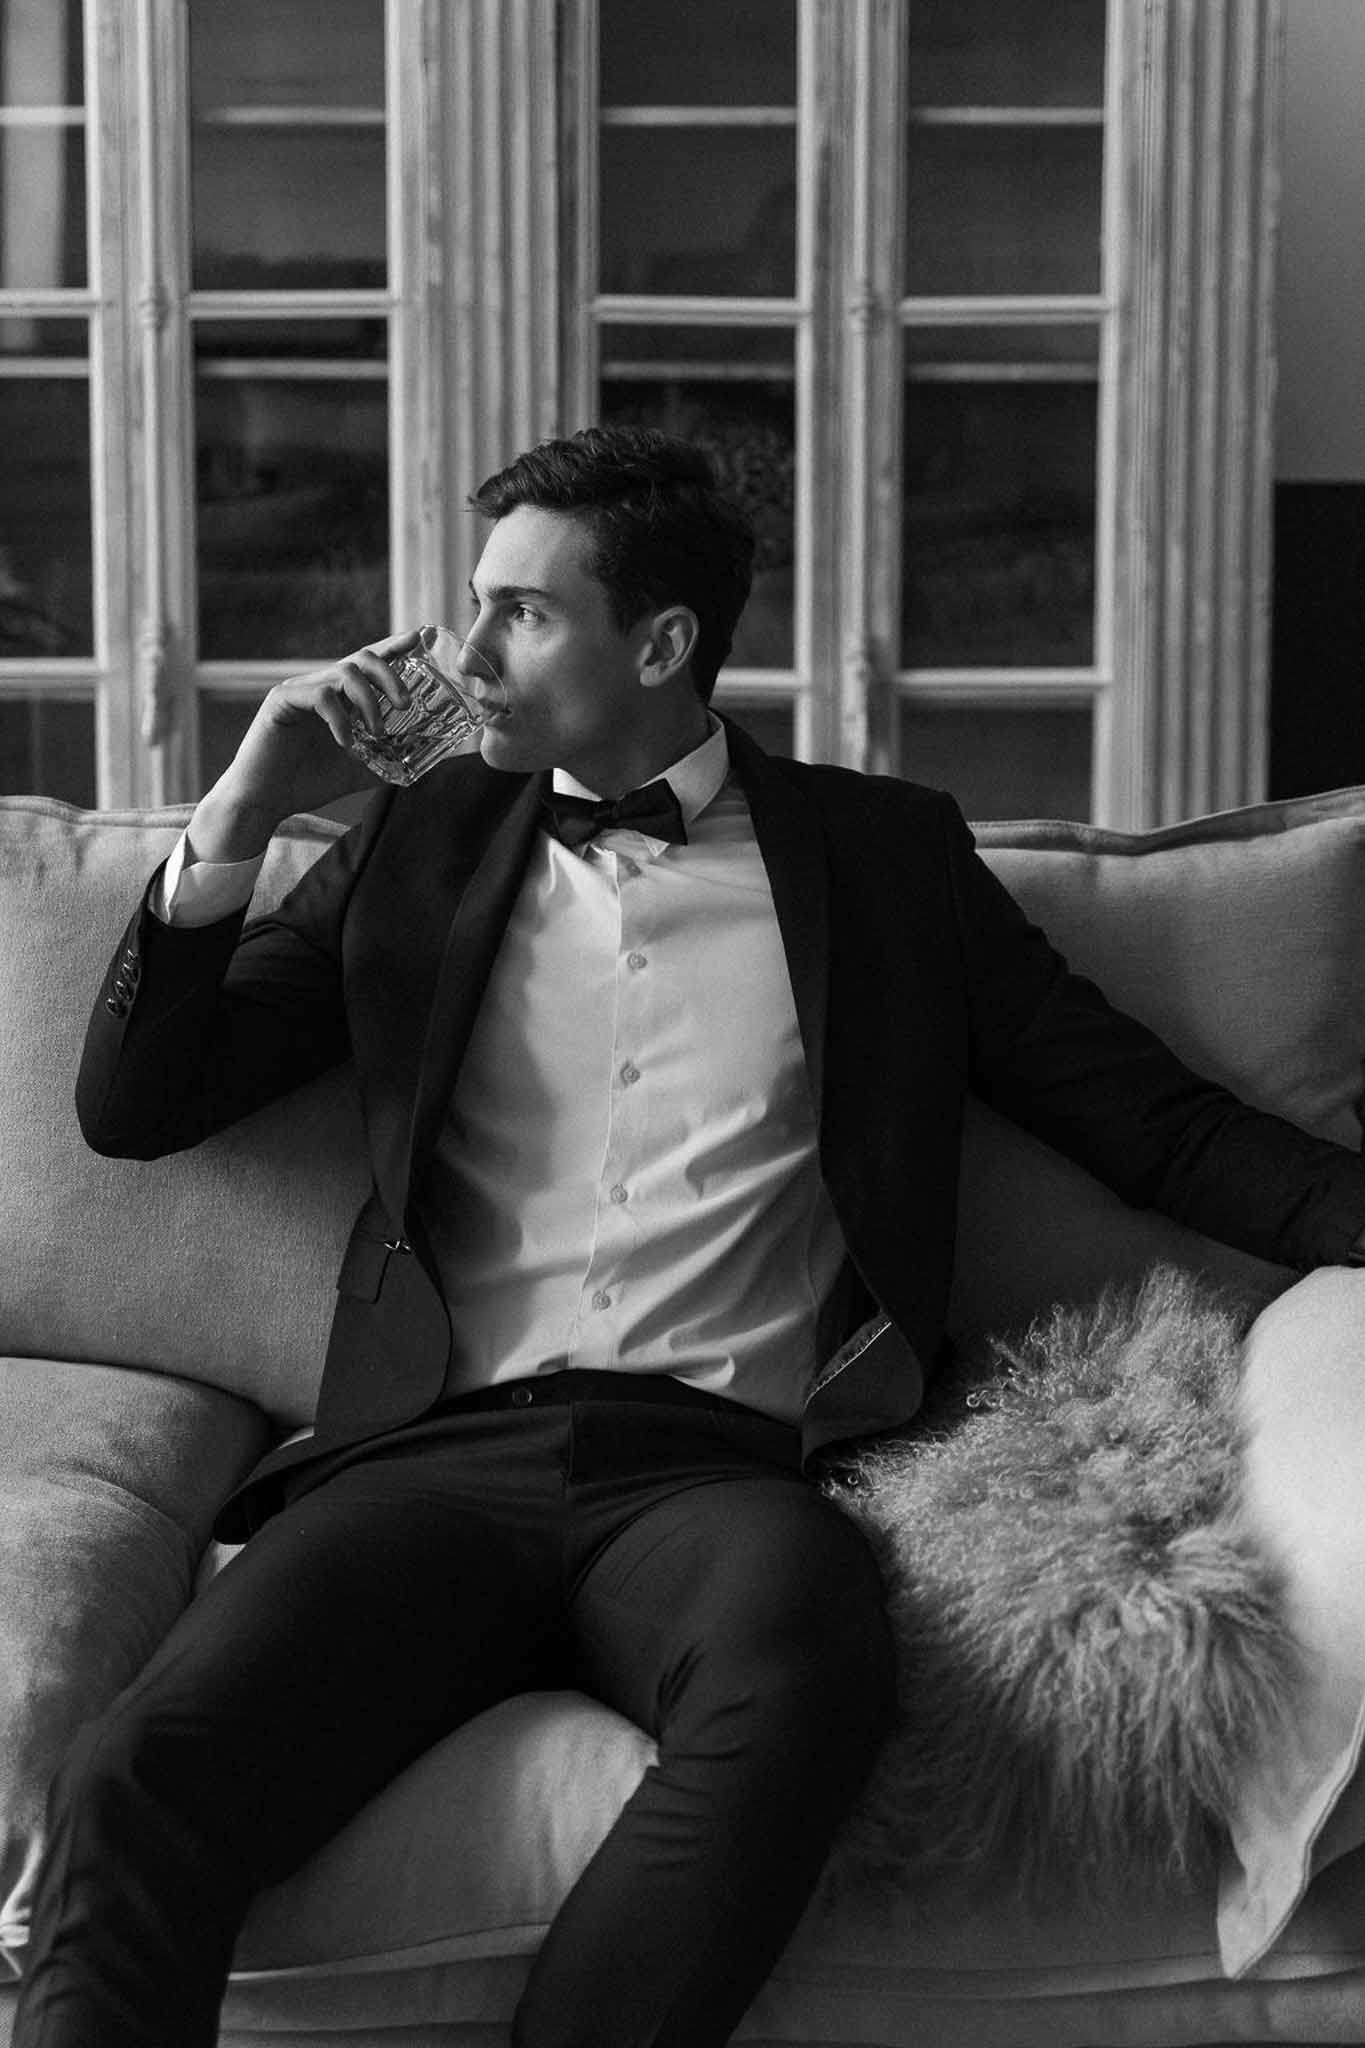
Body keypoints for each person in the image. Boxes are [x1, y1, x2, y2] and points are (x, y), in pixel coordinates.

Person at [16, 426, 1365, 2048]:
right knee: (137, 1776)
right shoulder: (413, 842)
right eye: (476, 602)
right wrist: (243, 807)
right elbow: (142, 1107)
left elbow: (1154, 1126)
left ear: (659, 645)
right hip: (427, 1457)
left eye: (522, 613)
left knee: (806, 1686)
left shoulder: (881, 859)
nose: (463, 652)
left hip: (721, 1469)